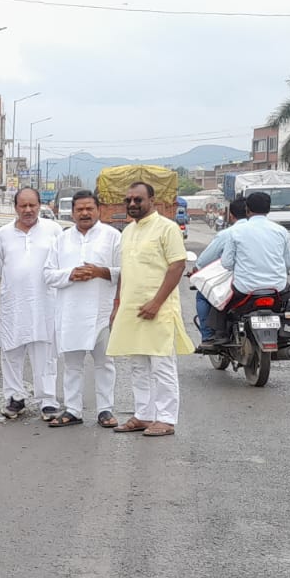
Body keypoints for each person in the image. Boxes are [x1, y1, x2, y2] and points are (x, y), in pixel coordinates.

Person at [107, 181, 193, 437]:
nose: (132, 204)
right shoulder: (127, 231)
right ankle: (143, 414)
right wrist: (117, 304)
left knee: (161, 364)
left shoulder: (167, 228)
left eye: (138, 199)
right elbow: (125, 270)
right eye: (128, 200)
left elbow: (177, 266)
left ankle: (166, 419)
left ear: (152, 201)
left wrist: (156, 303)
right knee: (137, 365)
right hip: (132, 309)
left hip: (159, 308)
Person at [44, 190, 121, 428]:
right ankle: (73, 410)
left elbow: (125, 271)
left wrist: (100, 272)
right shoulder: (62, 239)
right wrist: (71, 274)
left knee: (104, 362)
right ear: (73, 212)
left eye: (89, 208)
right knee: (72, 365)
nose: (85, 213)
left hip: (101, 311)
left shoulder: (113, 236)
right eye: (80, 209)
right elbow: (48, 275)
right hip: (71, 313)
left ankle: (105, 410)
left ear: (99, 210)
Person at [0, 187, 62, 420]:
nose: (28, 210)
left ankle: (47, 400)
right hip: (13, 302)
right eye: (23, 205)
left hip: (45, 303)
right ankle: (15, 398)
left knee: (45, 352)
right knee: (11, 351)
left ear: (40, 205)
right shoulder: (3, 234)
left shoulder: (53, 230)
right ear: (15, 208)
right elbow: (0, 266)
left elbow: (60, 264)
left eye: (32, 205)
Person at [195, 191, 290, 349]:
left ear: (247, 209)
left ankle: (220, 335)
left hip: (245, 290)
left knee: (219, 298)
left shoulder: (236, 231)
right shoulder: (281, 231)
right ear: (269, 209)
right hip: (277, 289)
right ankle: (283, 332)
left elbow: (227, 263)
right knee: (287, 296)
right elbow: (288, 264)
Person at [194, 197, 249, 345]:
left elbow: (217, 262)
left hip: (240, 284)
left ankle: (208, 336)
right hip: (274, 287)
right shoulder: (275, 231)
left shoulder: (229, 233)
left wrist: (196, 269)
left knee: (203, 295)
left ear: (231, 215)